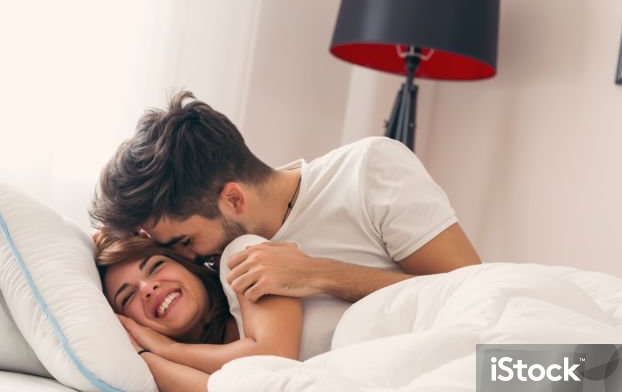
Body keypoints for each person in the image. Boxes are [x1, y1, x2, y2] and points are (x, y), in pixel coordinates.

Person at [89, 90, 481, 357]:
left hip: (486, 356)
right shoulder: (227, 263)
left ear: (233, 199)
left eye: (185, 241)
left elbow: (473, 294)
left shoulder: (368, 170)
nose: (188, 257)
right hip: (401, 388)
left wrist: (319, 274)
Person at [95, 233, 303, 392]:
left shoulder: (241, 259)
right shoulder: (173, 365)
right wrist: (144, 353)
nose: (148, 288)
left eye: (156, 266)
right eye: (128, 297)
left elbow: (273, 358)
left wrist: (169, 349)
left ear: (186, 264)